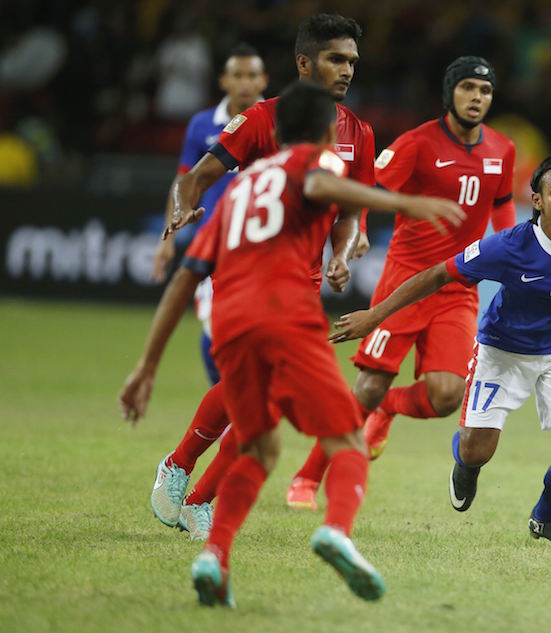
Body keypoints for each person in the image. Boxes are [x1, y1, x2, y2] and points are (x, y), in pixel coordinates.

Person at [118, 81, 465, 606]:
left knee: (261, 445)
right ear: (328, 130)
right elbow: (326, 190)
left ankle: (213, 552)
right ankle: (336, 530)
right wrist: (401, 202)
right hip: (287, 313)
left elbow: (186, 277)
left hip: (232, 321)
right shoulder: (317, 161)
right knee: (347, 438)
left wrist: (146, 366)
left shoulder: (241, 187)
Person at [330, 154, 551, 549]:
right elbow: (439, 274)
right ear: (537, 201)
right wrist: (375, 315)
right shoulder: (508, 246)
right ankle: (466, 464)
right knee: (477, 449)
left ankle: (545, 519)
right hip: (502, 350)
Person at [147, 14, 376, 539]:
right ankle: (188, 478)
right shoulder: (260, 119)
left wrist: (341, 254)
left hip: (302, 280)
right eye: (336, 59)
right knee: (262, 388)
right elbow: (197, 176)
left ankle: (188, 480)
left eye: (352, 62)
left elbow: (348, 216)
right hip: (244, 270)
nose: (346, 70)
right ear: (303, 62)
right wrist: (185, 208)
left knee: (258, 392)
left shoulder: (358, 134)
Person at [285, 55, 518, 510]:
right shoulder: (416, 143)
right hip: (404, 283)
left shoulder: (503, 150)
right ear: (450, 92)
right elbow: (371, 189)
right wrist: (362, 229)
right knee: (368, 385)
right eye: (468, 88)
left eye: (485, 91)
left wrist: (510, 250)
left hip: (456, 289)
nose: (476, 98)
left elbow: (503, 207)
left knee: (448, 397)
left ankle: (389, 409)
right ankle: (307, 478)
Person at [151, 43, 268, 386]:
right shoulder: (202, 125)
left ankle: (240, 409)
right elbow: (184, 179)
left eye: (252, 75)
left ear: (264, 80)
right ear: (223, 81)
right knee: (216, 328)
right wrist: (168, 237)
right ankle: (228, 404)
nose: (245, 83)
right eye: (238, 75)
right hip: (215, 243)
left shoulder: (279, 122)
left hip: (264, 242)